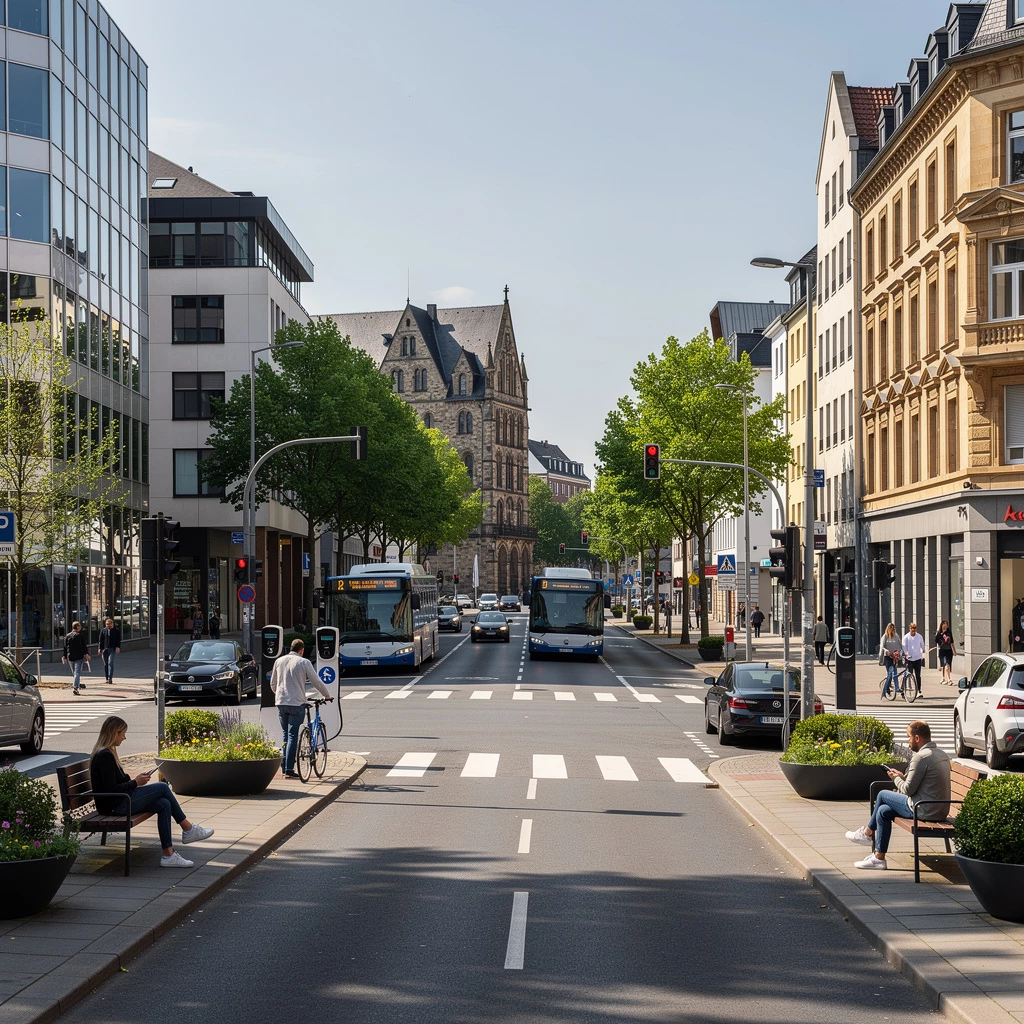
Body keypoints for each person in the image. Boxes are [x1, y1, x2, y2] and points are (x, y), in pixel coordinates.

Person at [90, 716, 214, 868]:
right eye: (122, 733)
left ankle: (168, 855)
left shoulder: (108, 752)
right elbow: (111, 789)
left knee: (163, 803)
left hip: (119, 801)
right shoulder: (105, 755)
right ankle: (188, 829)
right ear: (114, 733)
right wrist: (135, 782)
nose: (124, 737)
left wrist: (136, 779)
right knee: (162, 788)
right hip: (115, 805)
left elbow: (117, 782)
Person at [845, 720, 951, 869]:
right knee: (883, 812)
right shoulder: (941, 754)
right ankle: (878, 858)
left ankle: (867, 834)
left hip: (924, 809)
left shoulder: (921, 757)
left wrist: (895, 779)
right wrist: (902, 777)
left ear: (917, 738)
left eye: (908, 737)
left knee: (882, 794)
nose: (907, 742)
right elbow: (925, 784)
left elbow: (908, 790)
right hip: (938, 809)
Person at [270, 638, 333, 779]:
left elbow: (273, 683)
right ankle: (289, 769)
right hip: (296, 703)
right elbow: (316, 681)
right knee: (293, 735)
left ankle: (284, 766)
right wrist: (327, 695)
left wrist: (280, 695)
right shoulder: (304, 662)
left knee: (286, 735)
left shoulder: (279, 661)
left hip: (280, 702)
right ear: (301, 650)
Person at [62, 620, 90, 696]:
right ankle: (75, 687)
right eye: (80, 626)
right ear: (78, 627)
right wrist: (86, 654)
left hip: (70, 656)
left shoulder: (67, 636)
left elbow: (65, 647)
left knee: (74, 673)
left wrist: (64, 656)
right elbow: (83, 646)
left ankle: (78, 684)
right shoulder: (79, 636)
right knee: (77, 673)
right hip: (79, 656)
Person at [902, 622, 926, 697]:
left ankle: (919, 690)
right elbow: (904, 647)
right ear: (910, 629)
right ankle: (903, 689)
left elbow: (922, 645)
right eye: (912, 630)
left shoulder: (919, 637)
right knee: (908, 674)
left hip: (917, 658)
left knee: (918, 675)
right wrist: (906, 654)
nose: (913, 631)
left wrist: (923, 651)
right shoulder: (906, 637)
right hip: (909, 659)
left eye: (914, 630)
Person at [879, 622, 902, 698]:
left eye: (893, 629)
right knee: (891, 673)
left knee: (893, 674)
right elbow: (882, 647)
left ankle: (891, 688)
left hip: (894, 657)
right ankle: (888, 689)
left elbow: (900, 646)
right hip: (887, 658)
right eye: (890, 629)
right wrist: (884, 652)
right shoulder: (885, 637)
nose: (892, 631)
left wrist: (899, 652)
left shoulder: (896, 636)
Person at [97, 617, 122, 684]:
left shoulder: (116, 631)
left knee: (110, 663)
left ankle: (110, 678)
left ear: (112, 624)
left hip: (112, 649)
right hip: (105, 649)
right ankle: (107, 678)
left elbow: (118, 640)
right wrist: (100, 648)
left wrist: (118, 647)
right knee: (106, 664)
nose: (108, 626)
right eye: (107, 624)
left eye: (109, 624)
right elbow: (100, 640)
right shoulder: (103, 630)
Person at [934, 620, 957, 685]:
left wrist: (954, 651)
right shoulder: (939, 633)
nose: (945, 628)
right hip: (942, 651)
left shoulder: (949, 633)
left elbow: (952, 642)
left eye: (946, 626)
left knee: (948, 665)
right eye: (944, 627)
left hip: (949, 651)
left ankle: (948, 679)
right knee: (943, 665)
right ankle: (944, 678)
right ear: (941, 626)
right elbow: (936, 640)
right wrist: (941, 636)